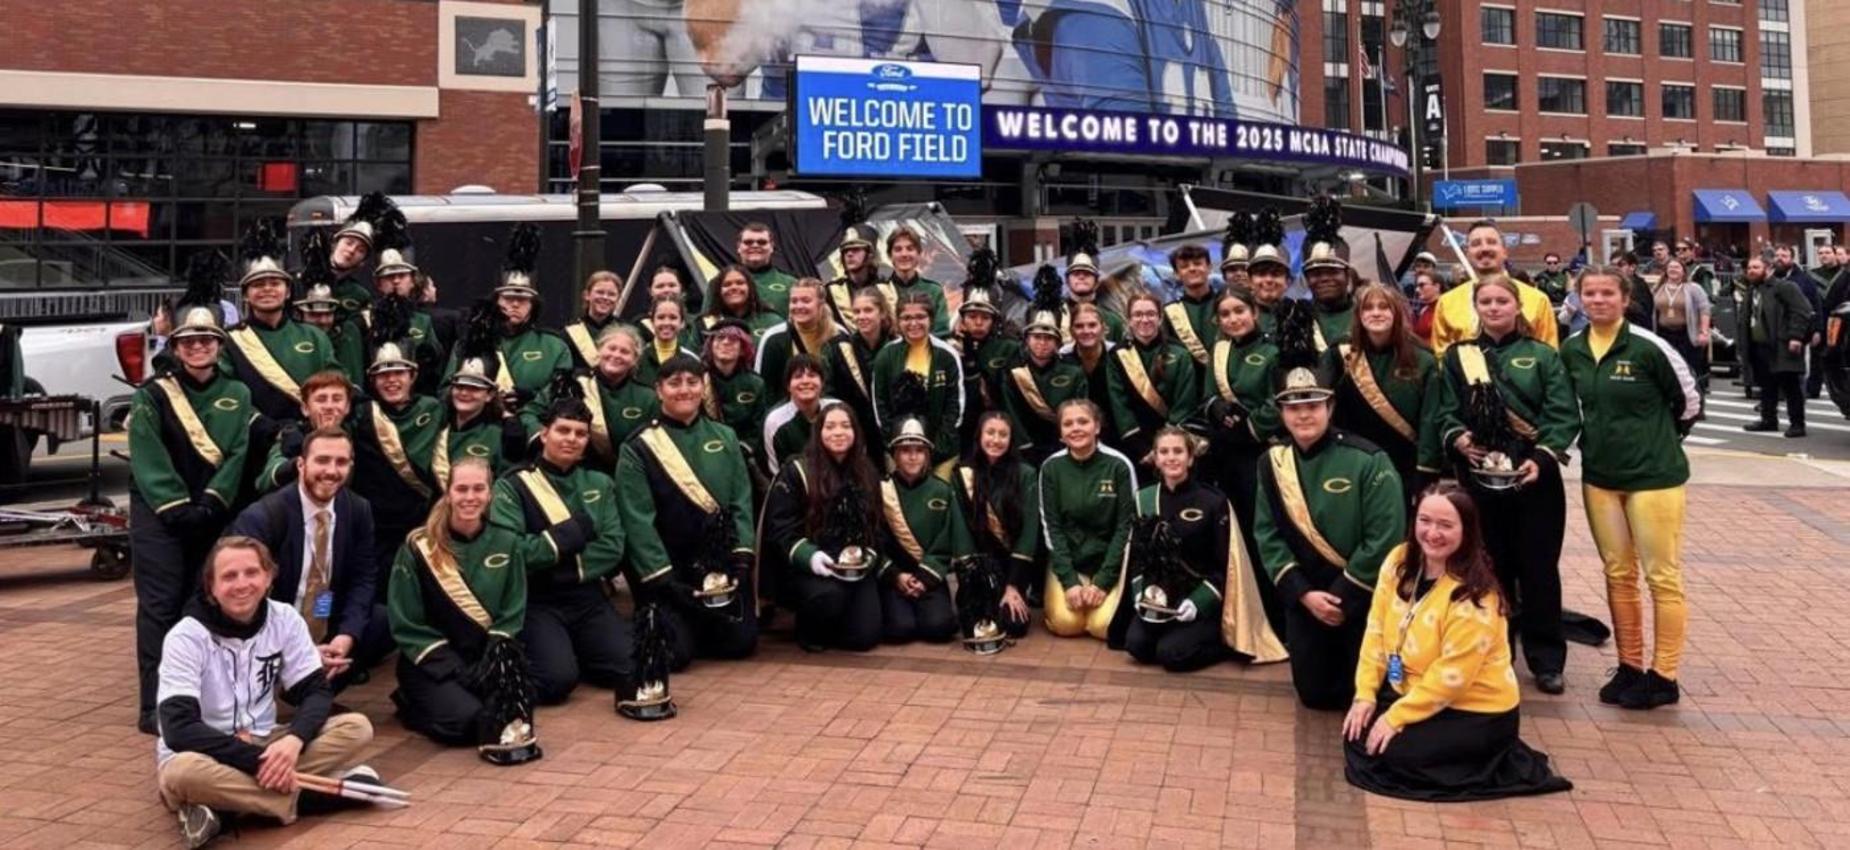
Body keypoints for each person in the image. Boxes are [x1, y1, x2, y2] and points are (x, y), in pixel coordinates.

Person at [1343, 484, 1573, 801]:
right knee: (1361, 731)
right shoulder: (1398, 561)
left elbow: (1451, 678)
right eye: (1425, 521)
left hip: (1475, 708)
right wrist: (1365, 694)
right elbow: (1376, 630)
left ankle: (1492, 757)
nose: (1432, 533)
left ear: (1466, 530)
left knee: (1394, 753)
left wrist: (1395, 717)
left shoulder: (1476, 597)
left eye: (1446, 525)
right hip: (1414, 689)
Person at [154, 537, 378, 848]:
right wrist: (257, 760)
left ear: (269, 577)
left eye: (251, 573)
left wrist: (293, 739)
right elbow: (178, 728)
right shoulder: (185, 637)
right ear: (211, 587)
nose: (242, 584)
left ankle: (225, 807)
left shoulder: (284, 618)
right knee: (179, 775)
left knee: (357, 727)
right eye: (229, 576)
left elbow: (316, 691)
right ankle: (308, 798)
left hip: (267, 741)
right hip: (206, 753)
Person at [1560, 266, 1701, 710]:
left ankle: (1665, 675)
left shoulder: (1649, 347)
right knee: (1618, 573)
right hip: (1601, 476)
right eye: (1589, 294)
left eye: (1606, 293)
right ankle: (1630, 665)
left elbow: (1689, 402)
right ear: (1579, 299)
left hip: (1653, 478)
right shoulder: (1572, 350)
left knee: (1662, 576)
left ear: (1625, 300)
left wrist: (1658, 441)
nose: (1598, 301)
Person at [1434, 274, 1580, 694]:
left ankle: (1546, 658)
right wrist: (1458, 437)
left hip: (1534, 478)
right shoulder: (1459, 357)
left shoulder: (1543, 356)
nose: (1494, 308)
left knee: (1538, 569)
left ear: (1518, 307)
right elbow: (1444, 410)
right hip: (1479, 477)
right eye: (1486, 302)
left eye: (1502, 301)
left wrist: (1541, 458)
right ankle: (1493, 651)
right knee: (1486, 568)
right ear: (1476, 308)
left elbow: (1563, 413)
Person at [1254, 314, 1406, 710]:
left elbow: (1385, 536)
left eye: (1312, 404)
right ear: (1281, 413)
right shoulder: (1272, 462)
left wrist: (1340, 597)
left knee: (1372, 687)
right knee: (1315, 694)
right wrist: (1304, 595)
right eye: (1293, 407)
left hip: (1359, 593)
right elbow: (1266, 534)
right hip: (1307, 591)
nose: (1303, 414)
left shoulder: (1369, 459)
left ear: (1330, 406)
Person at [130, 304, 253, 735]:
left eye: (206, 339)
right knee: (160, 606)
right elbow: (147, 454)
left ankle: (194, 699)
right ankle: (153, 705)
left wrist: (213, 503)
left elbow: (238, 451)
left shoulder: (238, 393)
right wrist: (175, 505)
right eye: (188, 341)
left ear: (219, 345)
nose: (198, 347)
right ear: (176, 347)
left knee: (199, 606)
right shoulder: (152, 393)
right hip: (160, 514)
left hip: (209, 512)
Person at [387, 458, 540, 763]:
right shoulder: (418, 546)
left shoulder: (507, 541)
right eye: (462, 489)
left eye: (478, 489)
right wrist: (455, 668)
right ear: (448, 493)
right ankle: (409, 702)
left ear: (490, 494)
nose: (470, 497)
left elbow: (513, 609)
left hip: (483, 658)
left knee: (510, 716)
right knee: (465, 725)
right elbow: (406, 622)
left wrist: (495, 662)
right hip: (434, 662)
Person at [615, 355, 760, 667]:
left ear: (703, 386)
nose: (685, 390)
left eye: (693, 382)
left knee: (740, 644)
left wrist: (742, 556)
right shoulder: (637, 447)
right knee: (676, 656)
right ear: (659, 389)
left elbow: (741, 501)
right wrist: (662, 578)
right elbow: (637, 520)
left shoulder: (725, 436)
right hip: (671, 569)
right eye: (674, 383)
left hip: (717, 563)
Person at [490, 383, 630, 704]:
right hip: (539, 600)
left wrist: (559, 563)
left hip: (586, 595)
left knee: (626, 666)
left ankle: (576, 649)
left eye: (580, 434)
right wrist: (568, 536)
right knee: (555, 682)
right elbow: (514, 550)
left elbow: (612, 547)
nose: (571, 439)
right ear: (543, 434)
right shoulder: (512, 486)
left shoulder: (599, 483)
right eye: (563, 430)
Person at [227, 428, 389, 690]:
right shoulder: (264, 517)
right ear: (301, 464)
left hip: (323, 612)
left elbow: (364, 577)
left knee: (381, 620)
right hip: (271, 626)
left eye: (341, 462)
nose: (331, 471)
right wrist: (297, 649)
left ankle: (314, 687)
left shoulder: (358, 509)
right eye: (322, 460)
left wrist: (345, 637)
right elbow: (244, 598)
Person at [1125, 427, 1287, 672]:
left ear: (1190, 458)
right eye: (1164, 452)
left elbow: (1227, 566)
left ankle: (1225, 645)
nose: (1171, 458)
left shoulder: (1213, 501)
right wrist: (1140, 592)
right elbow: (1138, 557)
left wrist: (1198, 603)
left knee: (1172, 656)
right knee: (1137, 646)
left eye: (1178, 451)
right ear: (1156, 458)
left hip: (1199, 602)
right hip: (1160, 600)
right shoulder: (1144, 498)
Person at [761, 403, 886, 651]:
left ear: (856, 432)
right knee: (828, 597)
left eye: (845, 426)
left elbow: (877, 525)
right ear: (818, 432)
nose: (838, 433)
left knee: (864, 638)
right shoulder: (797, 471)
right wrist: (812, 557)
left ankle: (839, 620)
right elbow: (781, 529)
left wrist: (869, 553)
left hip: (854, 566)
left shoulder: (867, 471)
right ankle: (809, 630)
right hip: (811, 566)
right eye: (830, 427)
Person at [1326, 284, 1443, 507]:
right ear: (1359, 316)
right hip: (1352, 461)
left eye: (1384, 307)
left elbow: (1430, 421)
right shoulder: (1339, 357)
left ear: (1396, 313)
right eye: (1368, 308)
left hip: (1404, 464)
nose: (1376, 313)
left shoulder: (1424, 360)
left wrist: (1425, 472)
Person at [222, 221, 341, 425]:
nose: (267, 289)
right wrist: (268, 429)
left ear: (287, 292)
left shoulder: (313, 336)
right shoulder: (228, 341)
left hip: (313, 435)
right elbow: (226, 395)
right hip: (258, 440)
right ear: (245, 295)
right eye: (258, 284)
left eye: (275, 283)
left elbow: (335, 382)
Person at [1038, 399, 1137, 640]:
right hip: (1071, 561)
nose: (1076, 428)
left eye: (1083, 421)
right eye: (1068, 423)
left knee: (1104, 627)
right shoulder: (1051, 468)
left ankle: (1102, 594)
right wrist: (1070, 581)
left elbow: (1126, 527)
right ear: (1061, 433)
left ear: (1097, 427)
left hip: (1109, 561)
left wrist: (1103, 581)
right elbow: (1052, 528)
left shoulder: (1119, 465)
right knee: (1066, 624)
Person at [443, 226, 573, 401]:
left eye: (523, 300)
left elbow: (563, 397)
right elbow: (445, 392)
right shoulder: (468, 344)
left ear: (533, 305)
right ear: (496, 301)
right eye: (508, 298)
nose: (515, 304)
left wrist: (531, 399)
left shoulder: (554, 347)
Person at [347, 342, 441, 577]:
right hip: (372, 526)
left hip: (419, 523)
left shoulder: (435, 409)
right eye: (383, 375)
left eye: (398, 373)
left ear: (413, 375)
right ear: (372, 380)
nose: (391, 380)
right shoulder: (362, 413)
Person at [876, 414, 969, 643]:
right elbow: (874, 539)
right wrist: (896, 575)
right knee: (900, 631)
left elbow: (948, 538)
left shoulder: (942, 491)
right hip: (894, 575)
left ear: (927, 455)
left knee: (939, 628)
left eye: (919, 450)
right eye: (905, 450)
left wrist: (925, 577)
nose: (912, 457)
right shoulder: (880, 491)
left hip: (929, 574)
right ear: (895, 454)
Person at [952, 412, 1041, 638]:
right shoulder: (962, 473)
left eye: (1003, 434)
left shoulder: (1027, 474)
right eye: (990, 432)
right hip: (979, 565)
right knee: (973, 624)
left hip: (1012, 566)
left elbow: (1029, 533)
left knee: (1015, 625)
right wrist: (973, 579)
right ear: (979, 436)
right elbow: (961, 531)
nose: (996, 440)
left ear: (1011, 439)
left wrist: (1013, 585)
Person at [532, 324, 659, 471]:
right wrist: (543, 437)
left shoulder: (647, 397)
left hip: (624, 473)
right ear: (599, 350)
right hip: (572, 472)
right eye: (611, 348)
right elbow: (531, 412)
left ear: (635, 359)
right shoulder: (571, 383)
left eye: (625, 352)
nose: (616, 355)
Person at [1430, 220, 1559, 358]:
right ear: (1467, 254)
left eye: (1491, 242)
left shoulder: (1538, 300)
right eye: (1476, 244)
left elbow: (1550, 357)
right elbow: (1440, 358)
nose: (1484, 248)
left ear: (1505, 251)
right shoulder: (1446, 303)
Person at [872, 293, 965, 471]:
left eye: (920, 317)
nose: (913, 323)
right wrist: (899, 446)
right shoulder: (886, 356)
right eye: (906, 318)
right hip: (898, 452)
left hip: (942, 453)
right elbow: (880, 405)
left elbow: (955, 406)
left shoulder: (947, 355)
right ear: (898, 321)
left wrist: (936, 450)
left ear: (931, 318)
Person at [1107, 290, 1200, 468]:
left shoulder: (1179, 353)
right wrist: (1141, 448)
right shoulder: (1117, 356)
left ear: (1160, 318)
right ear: (1129, 319)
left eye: (1151, 314)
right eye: (1138, 314)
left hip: (1174, 444)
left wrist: (1166, 446)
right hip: (1137, 446)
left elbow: (1185, 401)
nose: (1144, 320)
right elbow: (1119, 405)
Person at [1002, 288, 1089, 466]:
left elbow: (1081, 410)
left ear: (1058, 342)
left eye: (1048, 338)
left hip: (1066, 446)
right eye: (1037, 337)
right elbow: (1012, 416)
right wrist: (1026, 449)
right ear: (1026, 339)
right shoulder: (1013, 372)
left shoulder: (1073, 371)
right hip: (1025, 452)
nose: (1042, 343)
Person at [1739, 255, 1814, 436]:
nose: (1751, 271)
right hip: (1760, 346)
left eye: (1756, 267)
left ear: (1769, 268)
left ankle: (1797, 424)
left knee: (1790, 386)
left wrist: (1796, 336)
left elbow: (1802, 311)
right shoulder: (1752, 290)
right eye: (1749, 268)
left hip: (1782, 345)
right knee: (1767, 385)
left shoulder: (1784, 287)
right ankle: (1768, 419)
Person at [433, 353, 528, 487]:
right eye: (459, 386)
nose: (464, 393)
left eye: (474, 388)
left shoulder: (499, 435)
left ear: (489, 395)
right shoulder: (437, 426)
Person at [255, 370, 354, 494]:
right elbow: (265, 480)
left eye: (337, 399)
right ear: (305, 408)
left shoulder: (358, 434)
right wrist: (301, 463)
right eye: (321, 399)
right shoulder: (292, 436)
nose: (329, 406)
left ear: (347, 407)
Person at [825, 288, 895, 462]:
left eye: (868, 310)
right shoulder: (839, 349)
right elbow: (830, 394)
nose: (861, 316)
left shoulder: (898, 347)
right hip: (856, 439)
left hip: (893, 435)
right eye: (856, 312)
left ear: (882, 313)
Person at [757, 278, 848, 406]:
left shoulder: (838, 335)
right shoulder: (774, 338)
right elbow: (766, 389)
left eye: (806, 301)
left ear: (820, 304)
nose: (799, 306)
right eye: (794, 301)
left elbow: (849, 386)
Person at [702, 318, 770, 471]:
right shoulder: (698, 379)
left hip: (742, 456)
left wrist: (743, 450)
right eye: (719, 338)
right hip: (704, 452)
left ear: (743, 348)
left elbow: (758, 427)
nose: (726, 342)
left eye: (733, 339)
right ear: (711, 345)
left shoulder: (755, 383)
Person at [762, 354, 838, 475]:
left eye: (812, 375)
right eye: (798, 376)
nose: (805, 381)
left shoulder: (837, 410)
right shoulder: (775, 421)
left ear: (822, 382)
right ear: (788, 385)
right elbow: (776, 470)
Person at [1651, 258, 1713, 397]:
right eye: (1670, 267)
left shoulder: (1693, 288)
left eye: (1677, 267)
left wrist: (1703, 332)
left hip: (1686, 335)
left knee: (1690, 370)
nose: (1673, 270)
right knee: (1668, 370)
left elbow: (1705, 310)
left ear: (1683, 271)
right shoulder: (1658, 288)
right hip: (1664, 335)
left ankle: (1697, 402)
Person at [1299, 199, 1356, 351]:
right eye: (1316, 273)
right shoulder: (1297, 319)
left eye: (1332, 271)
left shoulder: (1367, 314)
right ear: (1306, 279)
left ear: (1347, 274)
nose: (1324, 278)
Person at [1772, 245, 1827, 398]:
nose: (1779, 259)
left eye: (1784, 255)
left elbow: (1815, 304)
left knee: (1795, 365)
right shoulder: (1771, 278)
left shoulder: (1803, 279)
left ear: (1792, 258)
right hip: (1774, 329)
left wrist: (1817, 329)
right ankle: (1776, 394)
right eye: (1777, 255)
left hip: (1797, 329)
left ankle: (1797, 394)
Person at [1062, 302, 1119, 439]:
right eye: (1079, 326)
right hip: (1076, 431)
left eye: (1092, 325)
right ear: (1071, 331)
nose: (1086, 331)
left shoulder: (1119, 355)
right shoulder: (1062, 357)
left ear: (1104, 328)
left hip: (1117, 430)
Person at [823, 222, 894, 328]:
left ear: (870, 255)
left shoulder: (887, 288)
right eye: (845, 250)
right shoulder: (831, 291)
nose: (849, 254)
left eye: (856, 249)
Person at [885, 227, 952, 338]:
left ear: (919, 253)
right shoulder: (880, 290)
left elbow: (942, 331)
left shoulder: (934, 291)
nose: (904, 254)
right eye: (898, 249)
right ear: (890, 255)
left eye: (910, 248)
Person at [1060, 244, 1127, 344]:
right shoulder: (1055, 316)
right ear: (1067, 281)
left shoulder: (1113, 322)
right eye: (1076, 273)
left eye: (1087, 273)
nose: (1081, 277)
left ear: (1097, 282)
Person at [700, 263, 784, 340]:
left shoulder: (773, 322)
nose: (733, 287)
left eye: (740, 283)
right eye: (727, 284)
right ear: (718, 291)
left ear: (750, 288)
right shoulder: (706, 323)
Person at [563, 270, 625, 371]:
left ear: (618, 299)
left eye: (611, 294)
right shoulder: (569, 333)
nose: (605, 297)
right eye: (600, 292)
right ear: (586, 295)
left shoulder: (626, 332)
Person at [634, 295, 700, 386]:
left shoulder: (692, 360)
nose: (666, 323)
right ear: (652, 322)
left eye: (673, 318)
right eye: (661, 317)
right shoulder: (637, 359)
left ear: (682, 323)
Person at [738, 222, 797, 316]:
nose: (755, 245)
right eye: (748, 242)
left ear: (772, 247)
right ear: (739, 247)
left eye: (762, 242)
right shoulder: (721, 284)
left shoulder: (791, 284)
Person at [640, 265, 705, 351]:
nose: (666, 290)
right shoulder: (640, 326)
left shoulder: (698, 323)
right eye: (660, 286)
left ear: (681, 289)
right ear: (650, 291)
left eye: (672, 285)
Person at [1610, 252, 1657, 332]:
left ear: (1632, 267)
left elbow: (1644, 312)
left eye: (1620, 265)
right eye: (1612, 265)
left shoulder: (1639, 285)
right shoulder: (1609, 285)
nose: (1616, 268)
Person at [1409, 270, 1443, 343]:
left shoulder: (1447, 309)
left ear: (1437, 286)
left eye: (1422, 285)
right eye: (1417, 286)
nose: (1417, 290)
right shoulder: (1424, 310)